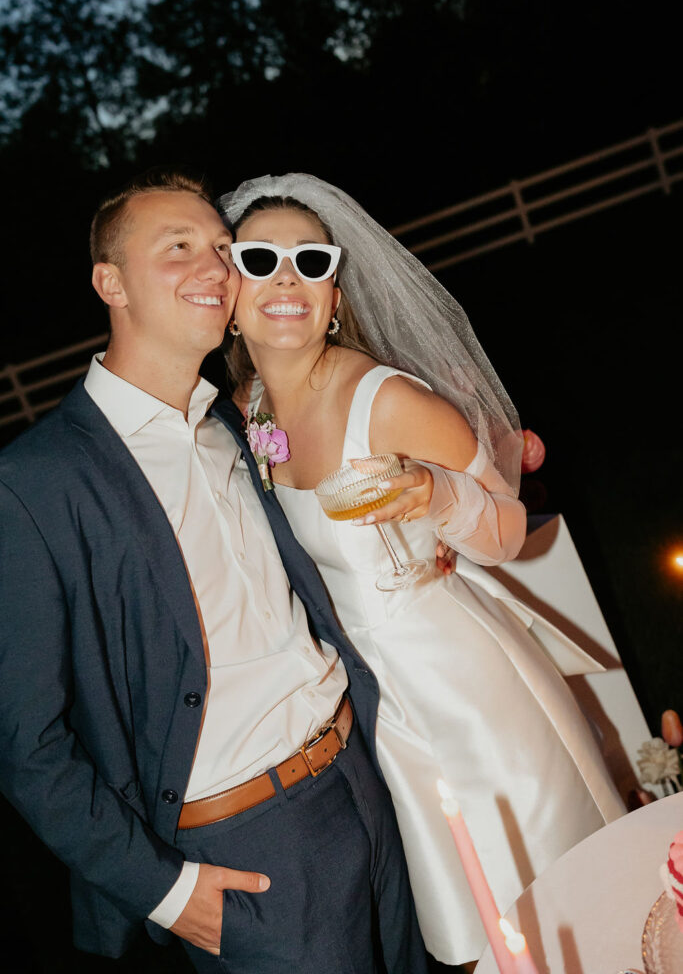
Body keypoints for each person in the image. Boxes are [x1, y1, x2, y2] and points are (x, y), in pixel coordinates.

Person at [0, 168, 430, 974]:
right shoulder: (35, 482)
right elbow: (26, 745)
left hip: (361, 779)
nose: (215, 269)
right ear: (109, 282)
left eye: (223, 249)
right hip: (248, 852)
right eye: (178, 248)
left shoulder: (236, 420)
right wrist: (165, 893)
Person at [218, 173, 627, 969]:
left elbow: (506, 531)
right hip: (381, 707)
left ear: (335, 296)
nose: (287, 281)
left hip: (466, 687)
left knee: (554, 894)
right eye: (261, 259)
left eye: (312, 262)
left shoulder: (390, 399)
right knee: (474, 924)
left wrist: (435, 495)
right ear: (229, 290)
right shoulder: (252, 407)